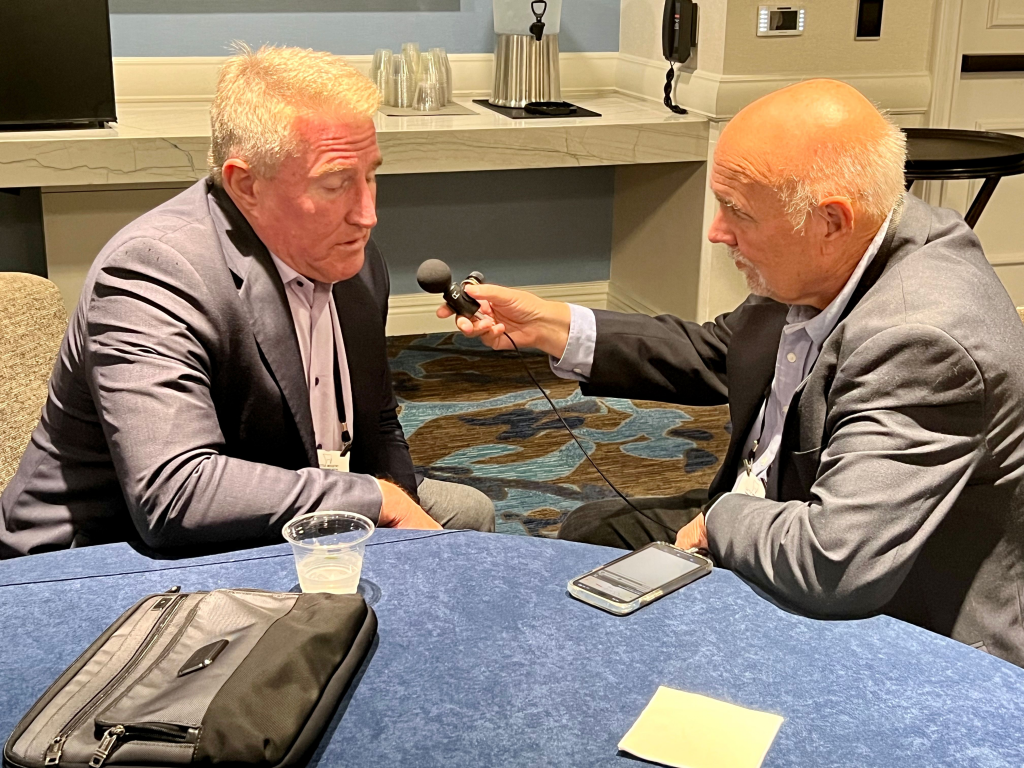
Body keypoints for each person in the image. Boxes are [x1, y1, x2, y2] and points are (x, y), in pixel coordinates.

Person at [441, 79, 1024, 665]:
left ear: (830, 221)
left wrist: (719, 519)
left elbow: (833, 562)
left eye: (737, 212)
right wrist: (549, 324)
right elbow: (724, 350)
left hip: (897, 622)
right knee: (596, 531)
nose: (716, 232)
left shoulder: (921, 340)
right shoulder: (846, 246)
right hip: (783, 514)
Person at [0, 45, 495, 558]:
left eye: (370, 175)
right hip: (106, 548)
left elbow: (378, 421)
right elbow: (175, 494)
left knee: (466, 514)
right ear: (245, 183)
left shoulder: (353, 257)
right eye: (335, 184)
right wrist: (375, 500)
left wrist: (404, 523)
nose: (367, 214)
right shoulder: (153, 271)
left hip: (282, 489)